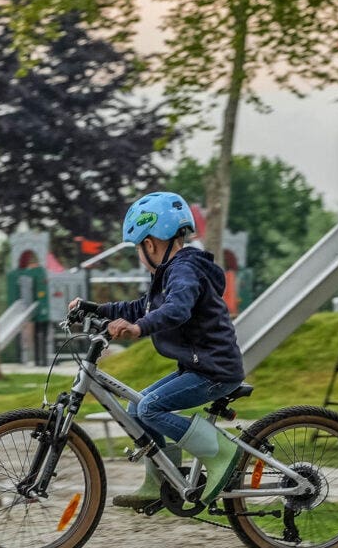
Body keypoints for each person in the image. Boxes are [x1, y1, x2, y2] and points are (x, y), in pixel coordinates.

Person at [99, 191, 245, 511]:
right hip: (198, 366)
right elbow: (141, 306)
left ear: (150, 244)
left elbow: (177, 309)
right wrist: (97, 310)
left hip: (214, 370)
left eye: (138, 248)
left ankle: (221, 453)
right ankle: (161, 481)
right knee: (137, 408)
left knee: (149, 408)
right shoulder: (169, 273)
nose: (140, 254)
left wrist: (139, 328)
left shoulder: (184, 270)